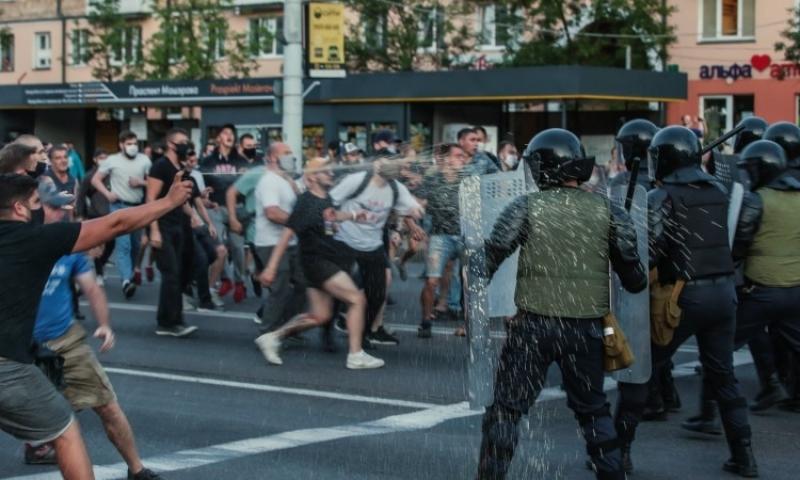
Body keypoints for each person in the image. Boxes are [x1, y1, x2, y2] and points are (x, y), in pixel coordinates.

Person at [476, 128, 647, 480]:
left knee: (507, 411)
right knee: (594, 412)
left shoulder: (525, 207)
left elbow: (486, 262)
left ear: (541, 167)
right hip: (586, 327)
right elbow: (636, 280)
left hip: (532, 327)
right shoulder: (608, 210)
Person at [0, 168, 192, 480]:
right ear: (20, 208)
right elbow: (116, 223)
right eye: (37, 202)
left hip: (36, 349)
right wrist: (168, 202)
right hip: (7, 366)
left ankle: (137, 469)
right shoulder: (34, 239)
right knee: (65, 430)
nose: (43, 208)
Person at [614, 126, 757, 478]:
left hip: (682, 295)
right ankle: (744, 457)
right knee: (724, 378)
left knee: (641, 372)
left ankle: (618, 455)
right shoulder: (720, 190)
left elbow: (650, 251)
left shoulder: (662, 198)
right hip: (724, 294)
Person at [23, 181, 162, 479]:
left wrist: (104, 325)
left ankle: (137, 469)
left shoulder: (70, 246)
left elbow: (92, 288)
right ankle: (36, 444)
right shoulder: (15, 241)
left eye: (64, 207)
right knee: (51, 420)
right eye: (53, 207)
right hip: (17, 347)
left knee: (107, 406)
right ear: (33, 209)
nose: (61, 213)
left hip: (64, 341)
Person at [256, 158, 385, 369]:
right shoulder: (306, 202)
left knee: (320, 315)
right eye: (325, 171)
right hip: (318, 261)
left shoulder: (325, 198)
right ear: (312, 177)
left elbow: (330, 217)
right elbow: (287, 234)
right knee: (356, 299)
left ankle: (272, 337)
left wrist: (353, 215)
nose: (331, 173)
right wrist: (271, 267)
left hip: (323, 261)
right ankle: (356, 355)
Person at [330, 151, 424, 346]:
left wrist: (417, 210)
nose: (391, 166)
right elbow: (330, 202)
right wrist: (332, 225)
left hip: (372, 245)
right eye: (386, 162)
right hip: (344, 241)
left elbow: (413, 208)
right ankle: (329, 328)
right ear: (375, 164)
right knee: (338, 290)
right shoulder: (356, 181)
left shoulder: (396, 188)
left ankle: (363, 333)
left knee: (378, 293)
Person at [242, 142, 305, 332]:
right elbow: (272, 213)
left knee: (303, 285)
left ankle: (286, 329)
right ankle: (268, 333)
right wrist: (300, 222)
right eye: (286, 153)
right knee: (281, 290)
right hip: (270, 243)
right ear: (271, 158)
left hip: (290, 242)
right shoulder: (269, 181)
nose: (291, 157)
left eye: (291, 153)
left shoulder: (285, 180)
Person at [146, 128, 201, 337]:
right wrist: (154, 230)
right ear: (171, 144)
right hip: (162, 226)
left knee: (179, 273)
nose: (186, 145)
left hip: (179, 226)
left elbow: (184, 200)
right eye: (182, 142)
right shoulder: (160, 167)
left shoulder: (181, 168)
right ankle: (168, 323)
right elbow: (150, 199)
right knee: (171, 274)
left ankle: (173, 319)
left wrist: (194, 215)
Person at [91, 131, 152, 298]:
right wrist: (108, 194)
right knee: (123, 245)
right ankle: (126, 281)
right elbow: (95, 180)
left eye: (134, 143)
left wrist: (141, 182)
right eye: (129, 143)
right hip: (118, 207)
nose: (132, 147)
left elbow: (153, 183)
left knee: (136, 245)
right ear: (121, 145)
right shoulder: (112, 160)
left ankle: (130, 275)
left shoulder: (144, 160)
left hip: (137, 207)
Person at [416, 144, 467, 338]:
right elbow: (416, 204)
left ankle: (468, 324)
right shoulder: (432, 180)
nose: (463, 159)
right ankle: (426, 320)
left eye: (463, 156)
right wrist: (413, 225)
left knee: (470, 283)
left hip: (464, 236)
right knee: (431, 282)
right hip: (440, 236)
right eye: (458, 155)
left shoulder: (468, 181)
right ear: (446, 159)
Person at [201, 124, 249, 303]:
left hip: (236, 210)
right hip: (216, 208)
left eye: (232, 134)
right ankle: (226, 279)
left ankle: (239, 282)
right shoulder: (208, 161)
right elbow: (201, 183)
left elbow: (247, 184)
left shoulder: (241, 160)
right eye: (226, 133)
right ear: (219, 138)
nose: (230, 136)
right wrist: (203, 197)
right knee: (219, 246)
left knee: (237, 247)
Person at [76, 148, 115, 285]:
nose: (104, 161)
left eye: (106, 158)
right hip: (95, 215)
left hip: (111, 215)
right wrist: (81, 215)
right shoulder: (89, 176)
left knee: (111, 244)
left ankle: (102, 264)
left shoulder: (112, 174)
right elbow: (80, 197)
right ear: (95, 160)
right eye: (101, 158)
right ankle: (98, 272)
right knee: (97, 246)